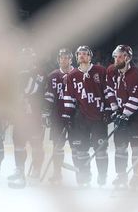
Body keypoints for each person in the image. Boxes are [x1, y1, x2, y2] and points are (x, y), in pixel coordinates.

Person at [63, 45, 110, 187]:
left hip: (98, 118)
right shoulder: (72, 75)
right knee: (82, 149)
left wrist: (108, 109)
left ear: (90, 57)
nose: (82, 56)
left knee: (100, 149)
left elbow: (108, 92)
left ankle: (102, 175)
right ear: (77, 57)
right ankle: (85, 175)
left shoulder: (100, 71)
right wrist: (67, 116)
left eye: (85, 54)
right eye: (80, 54)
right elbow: (69, 97)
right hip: (81, 118)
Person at [105, 44, 138, 190]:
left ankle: (137, 177)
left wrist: (124, 115)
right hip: (122, 113)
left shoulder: (136, 74)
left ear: (128, 58)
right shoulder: (111, 70)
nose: (116, 59)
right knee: (120, 148)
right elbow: (109, 91)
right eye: (115, 56)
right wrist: (116, 111)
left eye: (120, 56)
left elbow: (135, 99)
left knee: (137, 149)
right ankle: (121, 175)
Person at [8, 48, 46, 188]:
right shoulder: (18, 73)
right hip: (20, 116)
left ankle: (36, 168)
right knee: (18, 143)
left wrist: (20, 95)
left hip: (35, 116)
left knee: (36, 144)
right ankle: (19, 169)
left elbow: (32, 89)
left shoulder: (39, 72)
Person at [42, 48, 74, 184]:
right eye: (61, 57)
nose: (63, 60)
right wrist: (45, 113)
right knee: (57, 146)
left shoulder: (77, 74)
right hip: (58, 116)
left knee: (78, 146)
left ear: (71, 60)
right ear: (58, 59)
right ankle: (57, 173)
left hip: (74, 117)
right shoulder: (53, 76)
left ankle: (83, 174)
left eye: (66, 57)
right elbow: (49, 96)